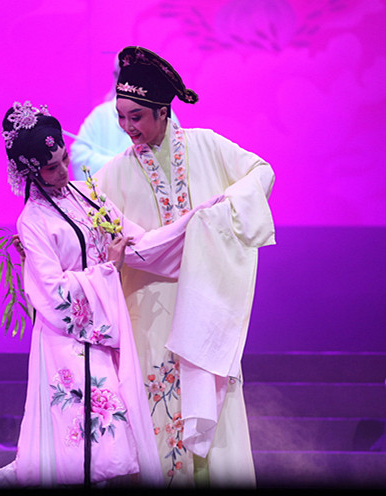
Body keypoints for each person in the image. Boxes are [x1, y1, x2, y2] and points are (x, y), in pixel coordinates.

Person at [0, 102, 223, 488]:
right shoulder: (33, 221)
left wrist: (194, 223)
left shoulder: (87, 196)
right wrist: (107, 270)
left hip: (104, 332)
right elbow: (54, 295)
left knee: (113, 445)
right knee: (82, 449)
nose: (64, 171)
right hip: (65, 342)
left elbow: (138, 243)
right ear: (30, 172)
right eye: (51, 168)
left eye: (64, 159)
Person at [94, 46, 276, 488]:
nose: (127, 128)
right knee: (158, 417)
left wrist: (216, 217)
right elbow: (92, 227)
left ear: (163, 111)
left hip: (206, 305)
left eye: (137, 117)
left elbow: (261, 172)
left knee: (214, 415)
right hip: (149, 315)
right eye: (121, 117)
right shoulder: (111, 174)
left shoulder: (206, 145)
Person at [69, 54, 179, 179]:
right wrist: (121, 166)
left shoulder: (161, 113)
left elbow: (175, 154)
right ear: (116, 76)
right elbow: (79, 156)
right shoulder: (100, 115)